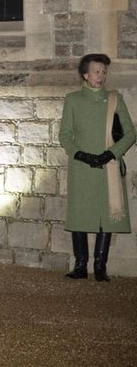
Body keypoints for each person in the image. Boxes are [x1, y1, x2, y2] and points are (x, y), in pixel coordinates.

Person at [59, 53, 135, 282]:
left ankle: (100, 266)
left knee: (106, 215)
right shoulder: (72, 100)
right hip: (81, 167)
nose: (101, 76)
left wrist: (110, 154)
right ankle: (80, 265)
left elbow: (131, 134)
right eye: (96, 71)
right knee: (80, 214)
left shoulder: (115, 99)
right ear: (85, 74)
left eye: (103, 72)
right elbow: (64, 135)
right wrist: (80, 154)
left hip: (108, 166)